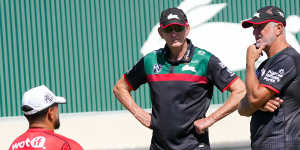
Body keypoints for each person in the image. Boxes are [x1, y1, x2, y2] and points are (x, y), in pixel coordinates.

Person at [113, 7, 246, 150]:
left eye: (178, 28)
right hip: (159, 146)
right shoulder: (151, 60)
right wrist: (139, 113)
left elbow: (240, 90)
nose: (174, 34)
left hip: (195, 145)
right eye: (169, 30)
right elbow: (120, 88)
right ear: (160, 32)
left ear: (187, 29)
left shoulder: (204, 60)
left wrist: (210, 119)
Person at [238, 6, 300, 150]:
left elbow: (253, 98)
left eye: (260, 27)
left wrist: (250, 62)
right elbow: (242, 108)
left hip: (282, 143)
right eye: (254, 27)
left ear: (278, 29)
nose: (255, 32)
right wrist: (259, 104)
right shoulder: (267, 64)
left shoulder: (287, 59)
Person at [9, 85, 83, 150]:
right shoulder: (66, 145)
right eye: (56, 108)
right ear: (51, 112)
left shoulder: (14, 146)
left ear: (26, 116)